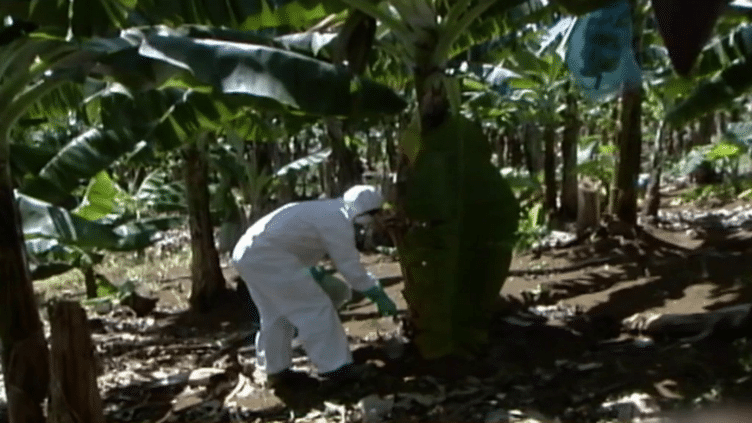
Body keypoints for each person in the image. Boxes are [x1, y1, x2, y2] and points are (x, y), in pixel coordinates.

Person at [231, 185, 398, 389]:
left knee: (275, 314)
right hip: (268, 256)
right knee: (314, 308)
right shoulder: (339, 221)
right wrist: (375, 292)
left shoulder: (326, 210)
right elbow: (349, 266)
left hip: (246, 253)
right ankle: (336, 368)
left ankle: (275, 371)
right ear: (366, 212)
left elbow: (294, 239)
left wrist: (309, 269)